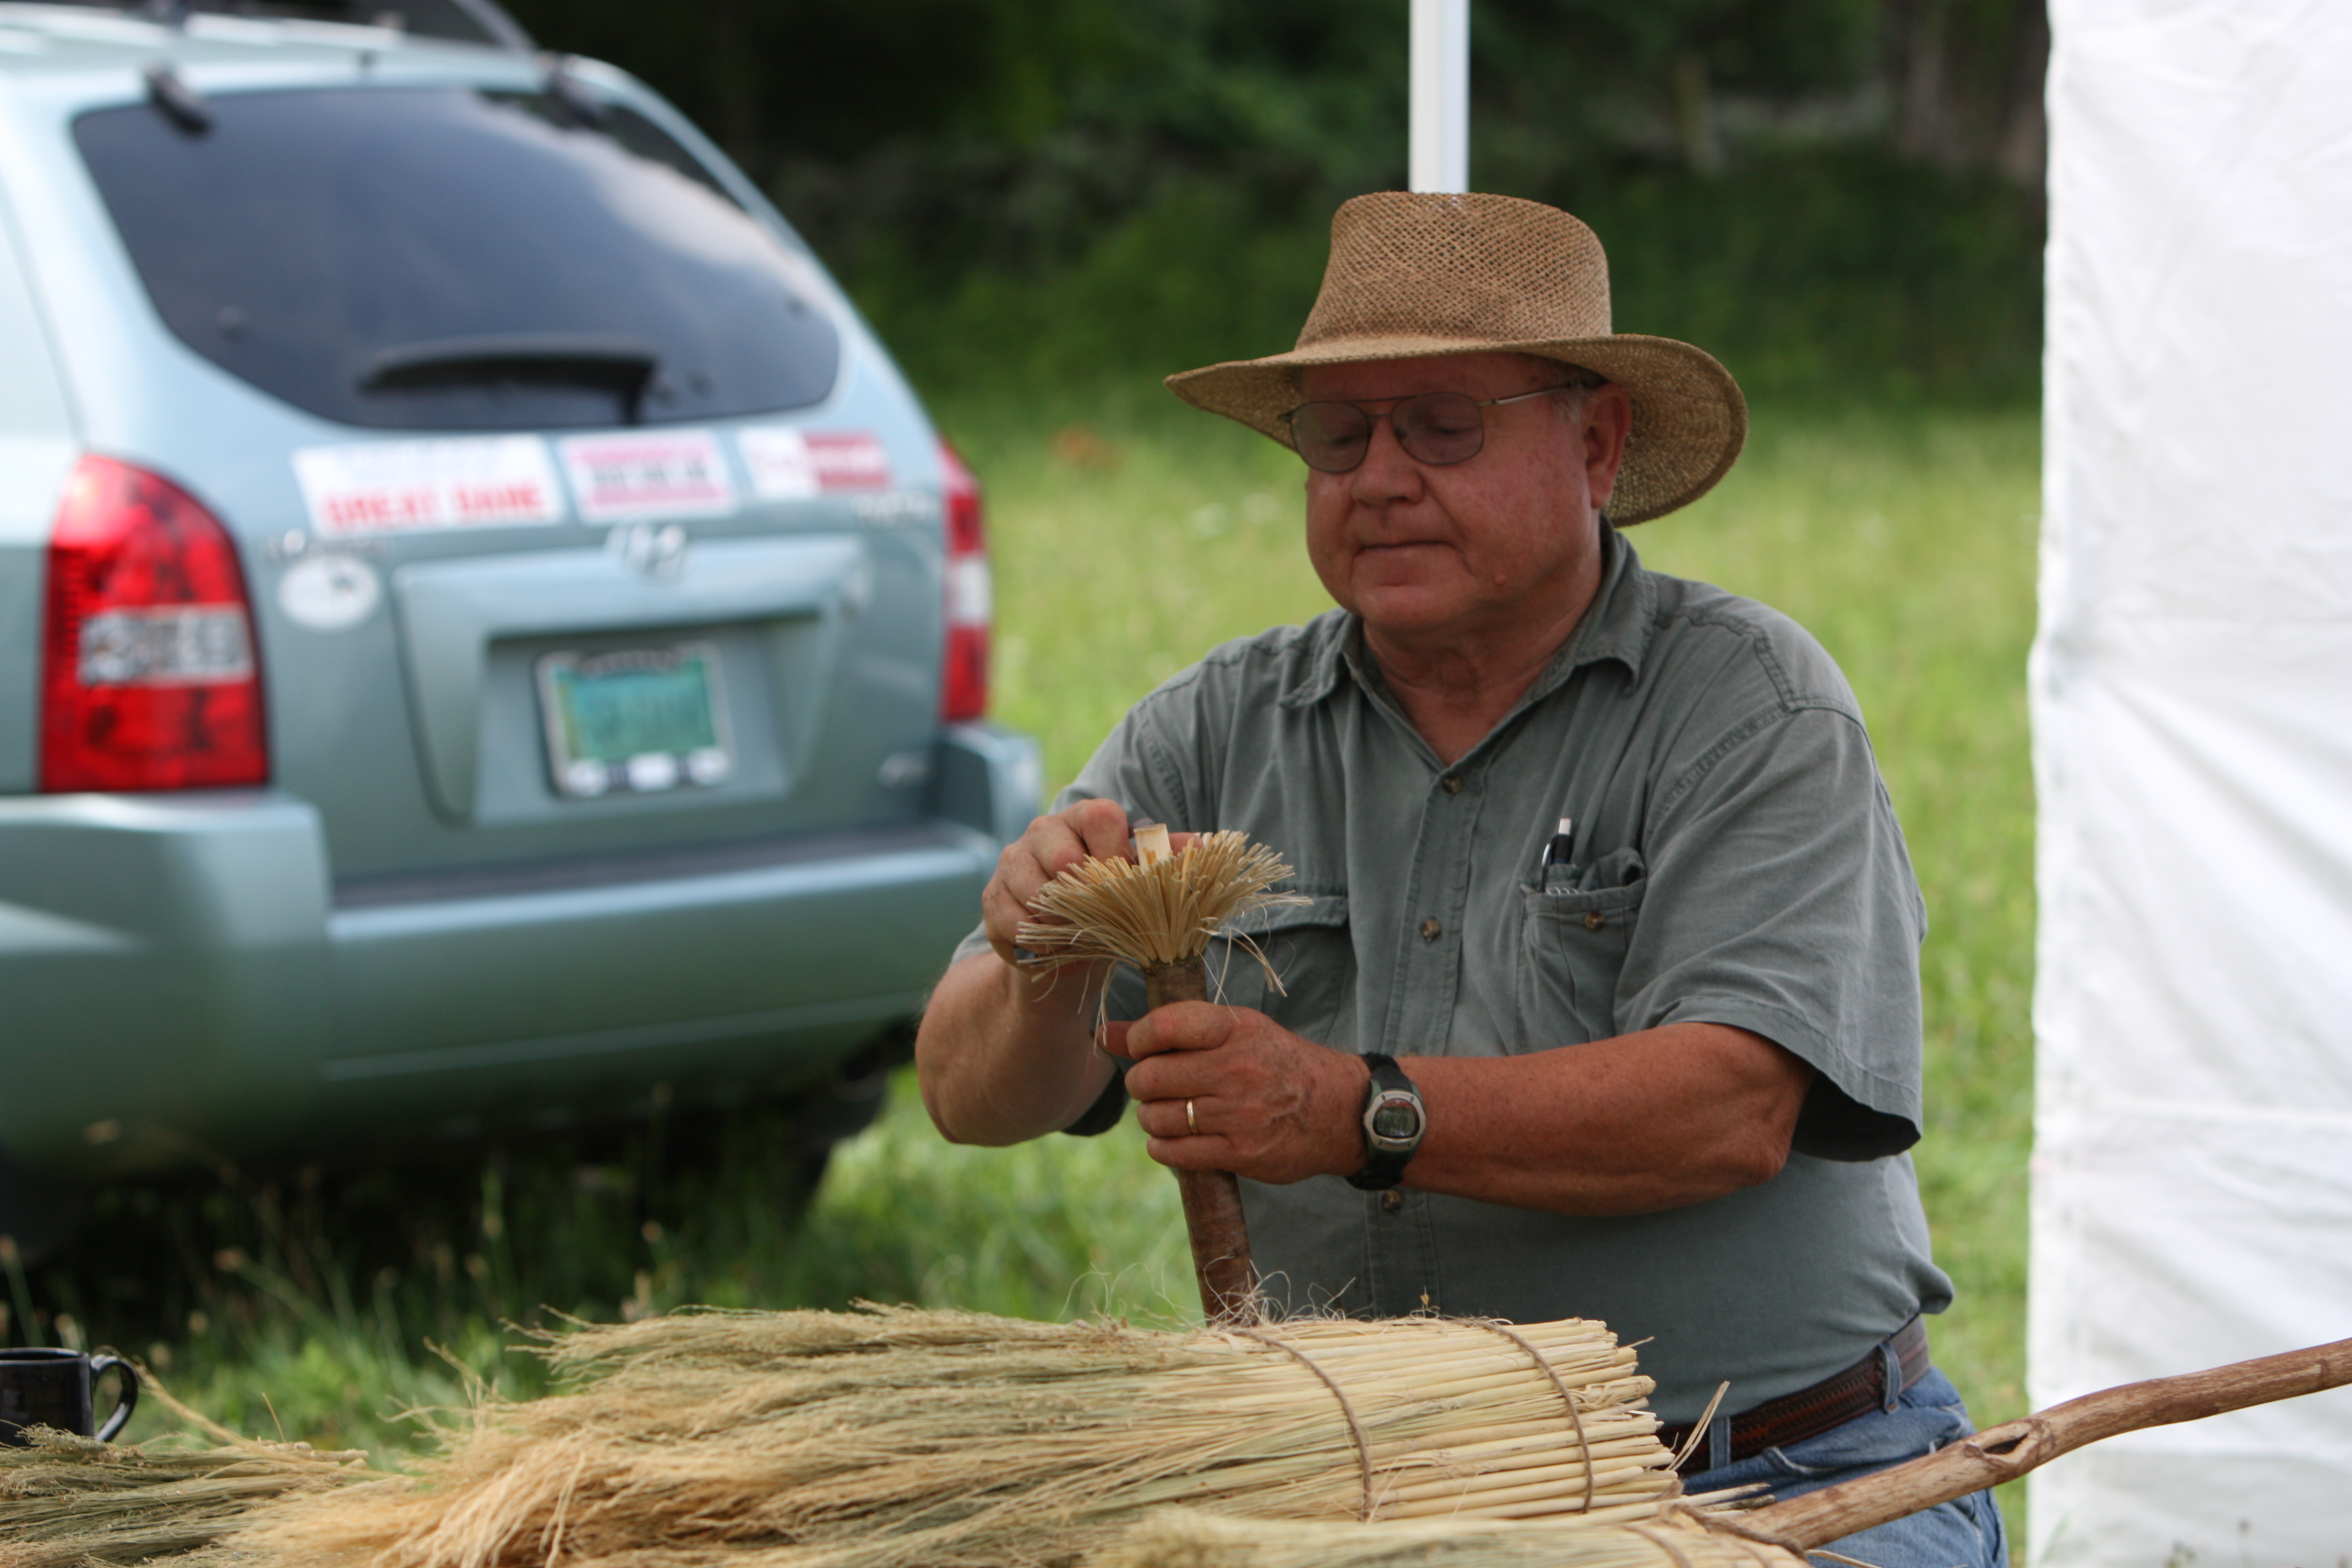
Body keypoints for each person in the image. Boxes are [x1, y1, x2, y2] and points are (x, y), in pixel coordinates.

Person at [914, 191, 2006, 1568]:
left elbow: (1726, 1109)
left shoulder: (1749, 707)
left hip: (1767, 1479)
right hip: (1368, 1488)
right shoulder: (1213, 728)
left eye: (1442, 427)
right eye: (1339, 433)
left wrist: (1349, 1106)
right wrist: (1044, 956)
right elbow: (966, 1096)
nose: (1379, 477)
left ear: (1596, 442)